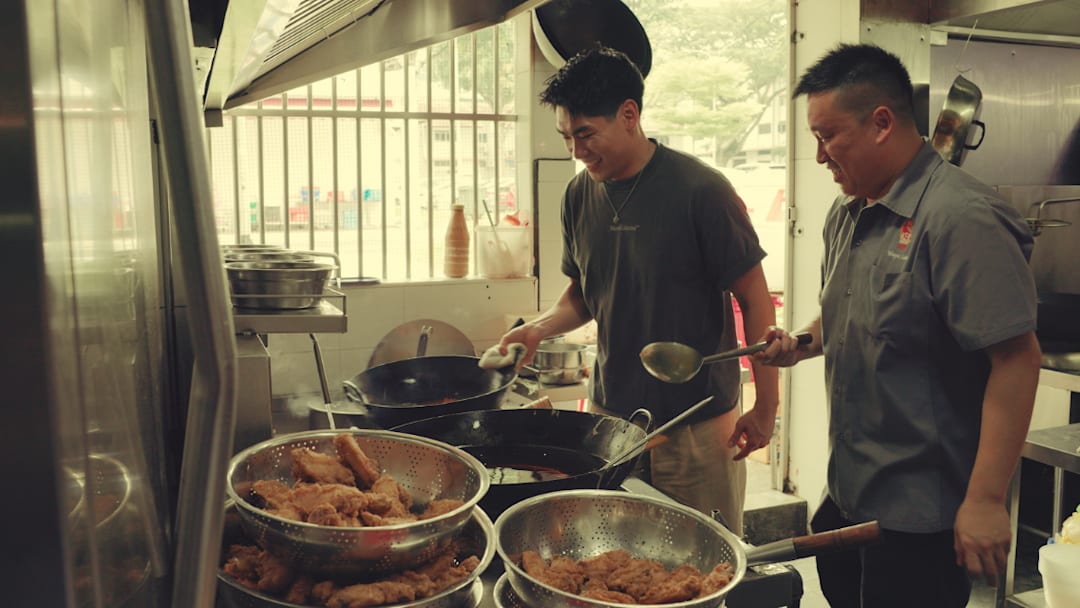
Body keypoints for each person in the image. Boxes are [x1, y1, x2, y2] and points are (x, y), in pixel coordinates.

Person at [757, 43, 1042, 607]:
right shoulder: (850, 212)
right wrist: (801, 344)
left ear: (882, 123)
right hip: (848, 495)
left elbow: (1017, 359)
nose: (819, 157)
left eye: (827, 136)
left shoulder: (960, 218)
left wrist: (985, 499)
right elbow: (852, 312)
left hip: (921, 518)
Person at [494, 46, 780, 535]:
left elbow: (755, 298)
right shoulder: (578, 195)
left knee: (700, 567)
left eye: (585, 135)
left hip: (698, 427)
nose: (576, 152)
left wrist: (766, 408)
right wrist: (536, 329)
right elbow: (583, 296)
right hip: (610, 425)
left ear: (630, 115)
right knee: (614, 565)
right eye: (567, 137)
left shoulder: (700, 190)